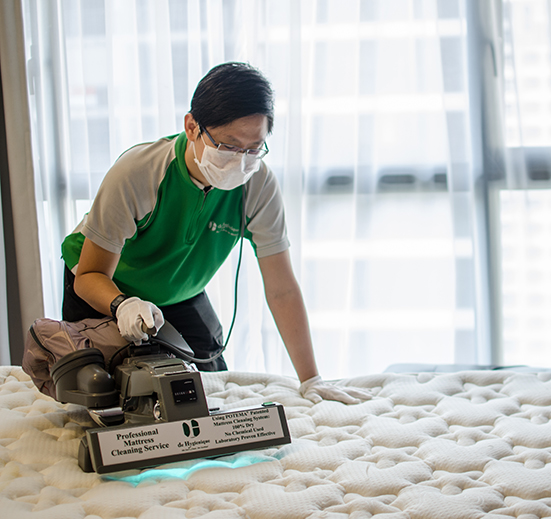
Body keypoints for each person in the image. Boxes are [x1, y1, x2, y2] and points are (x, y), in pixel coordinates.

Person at [60, 62, 370, 405]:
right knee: (115, 391)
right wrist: (122, 304)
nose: (241, 162)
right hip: (106, 290)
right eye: (229, 146)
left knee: (210, 387)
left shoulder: (258, 185)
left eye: (254, 148)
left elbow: (281, 289)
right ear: (192, 127)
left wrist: (311, 379)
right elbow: (88, 275)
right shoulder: (138, 173)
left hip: (179, 291)